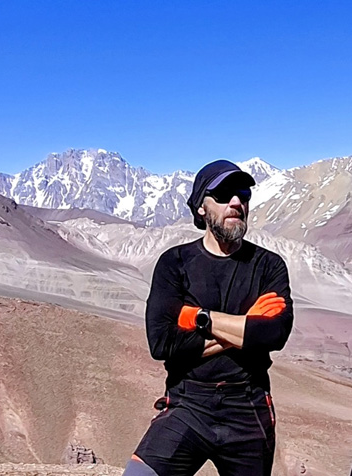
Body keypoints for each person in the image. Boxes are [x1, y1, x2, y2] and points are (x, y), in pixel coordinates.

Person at [123, 160, 294, 476]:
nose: (236, 202)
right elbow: (161, 343)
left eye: (243, 194)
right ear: (201, 207)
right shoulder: (175, 263)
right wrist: (245, 325)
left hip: (248, 408)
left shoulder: (269, 266)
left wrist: (200, 318)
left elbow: (275, 334)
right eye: (224, 194)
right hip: (187, 404)